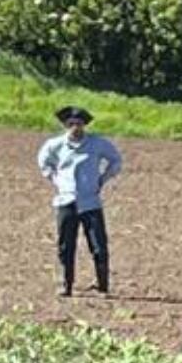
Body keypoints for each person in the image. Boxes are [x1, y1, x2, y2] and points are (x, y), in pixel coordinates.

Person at [37, 106, 122, 297]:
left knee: (98, 245)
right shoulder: (54, 145)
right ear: (66, 125)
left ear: (84, 125)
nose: (75, 127)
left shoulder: (97, 143)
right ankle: (65, 284)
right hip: (66, 201)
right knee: (66, 245)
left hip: (90, 201)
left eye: (79, 124)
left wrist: (103, 178)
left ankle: (103, 285)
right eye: (71, 124)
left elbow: (116, 160)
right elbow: (43, 163)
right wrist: (55, 179)